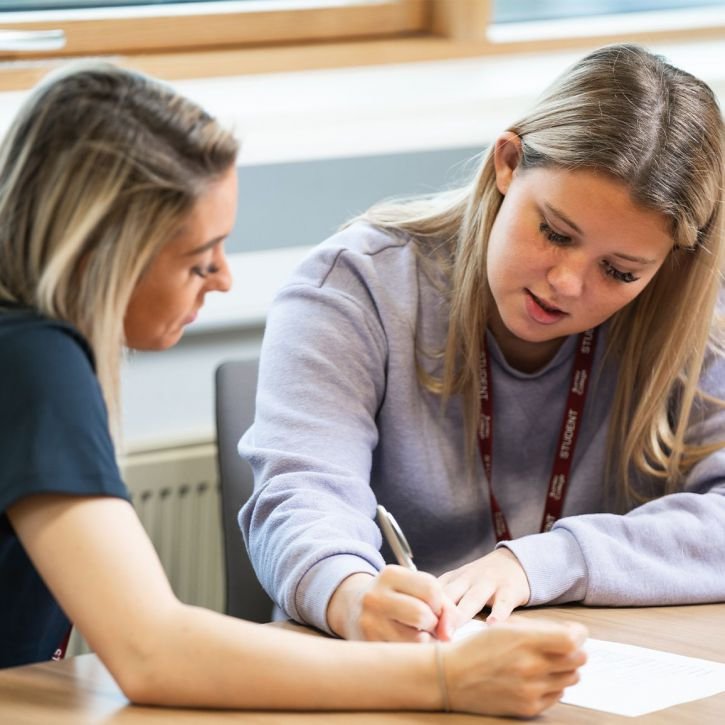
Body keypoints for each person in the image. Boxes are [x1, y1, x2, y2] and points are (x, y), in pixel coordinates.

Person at [0, 61, 587, 719]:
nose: (222, 279)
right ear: (98, 255)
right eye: (200, 257)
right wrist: (442, 677)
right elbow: (150, 648)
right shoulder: (34, 360)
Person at [240, 42, 725, 644]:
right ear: (508, 163)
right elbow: (300, 495)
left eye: (620, 272)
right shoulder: (353, 285)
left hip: (592, 666)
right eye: (554, 231)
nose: (567, 283)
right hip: (400, 660)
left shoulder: (698, 317)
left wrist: (540, 563)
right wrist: (351, 594)